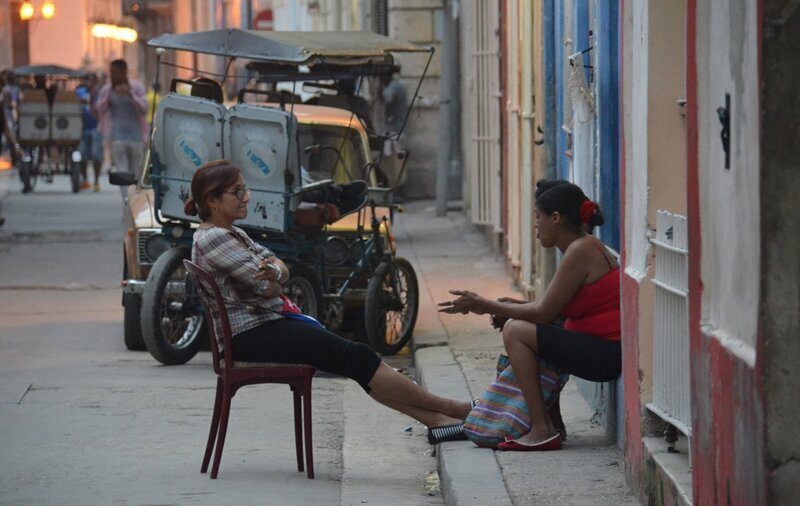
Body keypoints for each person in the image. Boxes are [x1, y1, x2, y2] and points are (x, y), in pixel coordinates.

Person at [185, 160, 472, 445]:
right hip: (251, 334)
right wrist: (274, 276)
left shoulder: (234, 232)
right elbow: (266, 285)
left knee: (355, 361)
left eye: (244, 189)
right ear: (212, 199)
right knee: (357, 357)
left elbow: (280, 268)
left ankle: (437, 420)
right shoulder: (214, 238)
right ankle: (452, 410)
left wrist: (275, 274)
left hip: (268, 324)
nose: (246, 197)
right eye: (237, 192)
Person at [438, 180, 621, 451]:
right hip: (599, 349)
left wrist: (487, 304)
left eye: (538, 218)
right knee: (523, 324)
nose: (535, 226)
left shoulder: (580, 250)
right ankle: (553, 423)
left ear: (555, 218)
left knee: (516, 330)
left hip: (606, 355)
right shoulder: (583, 247)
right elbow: (554, 309)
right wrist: (510, 305)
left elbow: (544, 312)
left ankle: (542, 429)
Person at [95, 59, 148, 197]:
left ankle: (136, 201)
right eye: (111, 72)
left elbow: (144, 109)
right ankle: (126, 202)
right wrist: (107, 98)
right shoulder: (107, 89)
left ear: (124, 72)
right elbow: (99, 108)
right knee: (122, 172)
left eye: (115, 72)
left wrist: (130, 95)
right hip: (117, 136)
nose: (112, 75)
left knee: (136, 172)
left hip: (136, 136)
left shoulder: (136, 87)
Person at [76, 73, 103, 191]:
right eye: (86, 79)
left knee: (97, 155)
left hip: (96, 127)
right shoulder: (80, 92)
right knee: (83, 155)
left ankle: (96, 181)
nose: (88, 82)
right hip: (82, 127)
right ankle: (85, 179)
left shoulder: (100, 93)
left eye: (91, 80)